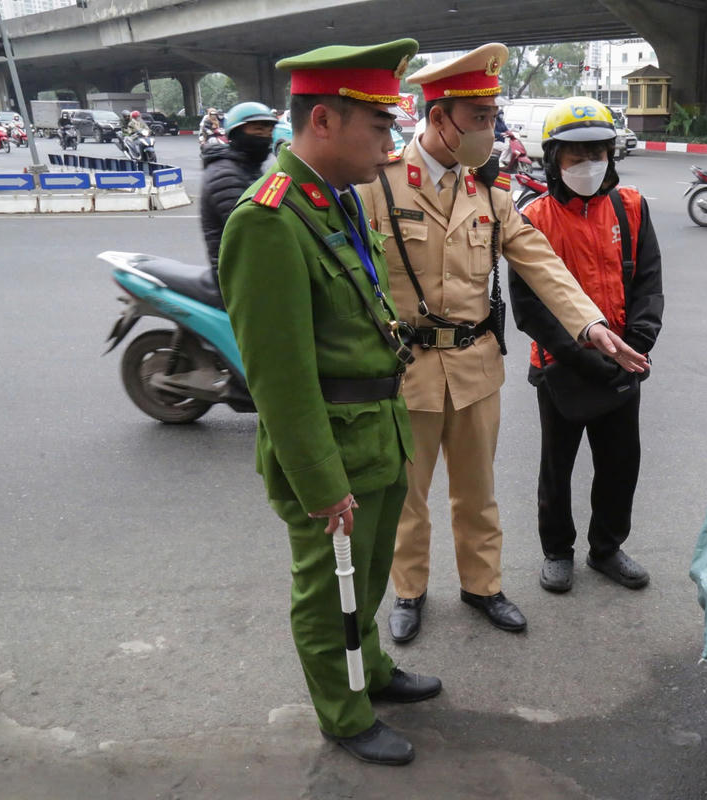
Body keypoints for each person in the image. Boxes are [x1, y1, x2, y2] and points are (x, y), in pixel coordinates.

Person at [357, 43, 647, 644]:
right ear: (440, 118)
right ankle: (409, 591)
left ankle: (482, 585)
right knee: (408, 497)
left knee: (477, 493)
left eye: (493, 117)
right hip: (405, 369)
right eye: (480, 119)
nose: (491, 130)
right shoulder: (377, 188)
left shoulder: (489, 193)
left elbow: (541, 263)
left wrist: (592, 326)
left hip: (474, 368)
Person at [217, 38, 442, 768]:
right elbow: (279, 378)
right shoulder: (269, 219)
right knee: (328, 593)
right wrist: (321, 485)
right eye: (378, 129)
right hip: (333, 451)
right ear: (324, 123)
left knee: (369, 575)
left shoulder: (331, 200)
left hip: (376, 431)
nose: (389, 146)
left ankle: (370, 671)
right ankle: (344, 714)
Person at [510, 97, 664, 594]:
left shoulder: (631, 207)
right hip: (561, 365)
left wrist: (633, 346)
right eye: (575, 156)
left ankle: (607, 548)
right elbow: (530, 307)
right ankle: (557, 551)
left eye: (597, 153)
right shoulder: (533, 216)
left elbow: (649, 284)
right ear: (553, 158)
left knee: (621, 464)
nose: (587, 165)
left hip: (622, 362)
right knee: (557, 467)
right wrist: (584, 357)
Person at [200, 101, 277, 274]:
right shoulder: (224, 174)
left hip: (253, 265)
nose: (265, 136)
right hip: (235, 276)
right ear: (236, 133)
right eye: (258, 130)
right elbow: (254, 230)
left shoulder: (249, 167)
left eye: (269, 131)